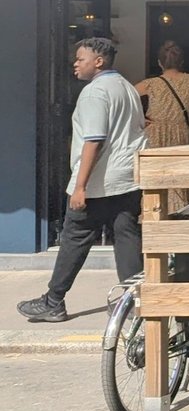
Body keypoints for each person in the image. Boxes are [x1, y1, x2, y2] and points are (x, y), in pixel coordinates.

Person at [18, 37, 148, 322]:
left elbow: (94, 140)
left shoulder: (94, 93)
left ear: (98, 62)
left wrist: (80, 186)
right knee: (126, 237)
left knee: (74, 239)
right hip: (127, 177)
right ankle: (133, 301)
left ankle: (53, 301)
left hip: (97, 182)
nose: (74, 64)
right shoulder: (126, 87)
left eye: (80, 59)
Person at [136, 41, 189, 212]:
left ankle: (152, 212)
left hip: (154, 132)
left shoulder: (151, 83)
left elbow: (125, 97)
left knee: (155, 175)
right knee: (179, 175)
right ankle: (179, 212)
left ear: (159, 63)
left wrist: (139, 119)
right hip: (181, 132)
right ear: (182, 62)